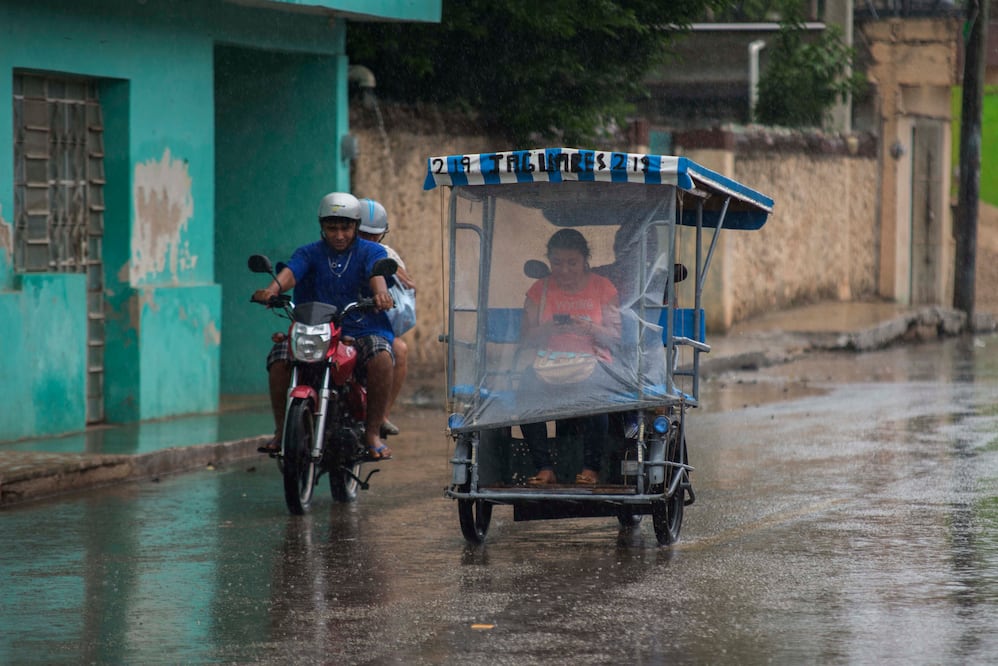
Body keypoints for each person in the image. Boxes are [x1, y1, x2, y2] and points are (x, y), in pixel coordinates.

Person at [252, 192, 396, 460]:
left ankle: (373, 432)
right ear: (322, 227)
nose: (339, 235)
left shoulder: (371, 251)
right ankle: (282, 431)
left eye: (346, 228)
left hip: (360, 328)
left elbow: (377, 274)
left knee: (382, 357)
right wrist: (270, 290)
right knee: (280, 357)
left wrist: (380, 295)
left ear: (355, 227)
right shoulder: (309, 252)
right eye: (332, 228)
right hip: (314, 329)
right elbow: (292, 272)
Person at [517, 228, 621, 485]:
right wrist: (548, 328)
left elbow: (615, 337)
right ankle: (544, 467)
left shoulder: (602, 287)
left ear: (585, 260)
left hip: (594, 362)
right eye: (557, 263)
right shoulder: (538, 290)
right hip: (549, 364)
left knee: (597, 397)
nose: (564, 270)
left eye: (572, 263)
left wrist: (587, 327)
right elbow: (526, 338)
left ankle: (591, 469)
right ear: (549, 260)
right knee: (524, 390)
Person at [357, 198, 415, 437]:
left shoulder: (384, 254)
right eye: (362, 234)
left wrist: (386, 292)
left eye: (374, 236)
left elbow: (407, 286)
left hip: (370, 325)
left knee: (397, 350)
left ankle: (379, 417)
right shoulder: (325, 251)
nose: (368, 241)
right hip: (332, 323)